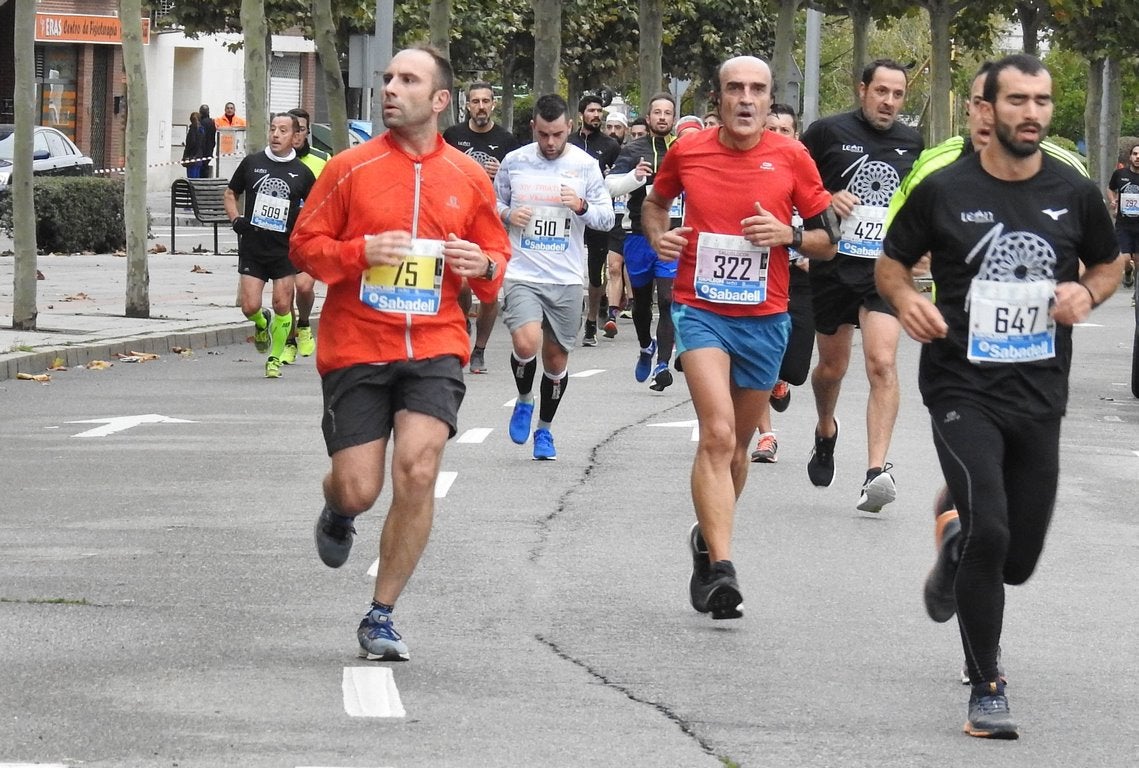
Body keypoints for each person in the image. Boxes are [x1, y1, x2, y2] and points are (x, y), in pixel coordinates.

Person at [879, 53, 1121, 739]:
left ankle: (953, 539)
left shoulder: (1071, 191)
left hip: (1039, 392)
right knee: (993, 528)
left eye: (1041, 101)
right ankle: (985, 686)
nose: (1031, 113)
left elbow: (1109, 261)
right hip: (960, 386)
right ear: (985, 108)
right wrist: (904, 300)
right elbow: (891, 263)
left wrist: (1087, 291)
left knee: (1015, 559)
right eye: (1016, 100)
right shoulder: (944, 188)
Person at [289, 46, 510, 662]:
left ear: (439, 100)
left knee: (417, 469)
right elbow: (306, 246)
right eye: (387, 78)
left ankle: (381, 614)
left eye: (406, 80)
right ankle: (337, 511)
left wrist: (484, 265)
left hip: (436, 343)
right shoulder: (348, 169)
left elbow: (495, 259)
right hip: (357, 345)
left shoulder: (468, 175)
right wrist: (361, 253)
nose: (390, 88)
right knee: (360, 489)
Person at [642, 56, 837, 620]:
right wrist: (660, 237)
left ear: (770, 100)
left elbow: (829, 238)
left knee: (739, 450)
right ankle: (724, 571)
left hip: (766, 317)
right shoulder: (689, 150)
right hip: (700, 310)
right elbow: (655, 203)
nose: (746, 99)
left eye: (757, 90)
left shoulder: (792, 156)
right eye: (735, 89)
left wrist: (790, 235)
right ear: (718, 98)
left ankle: (706, 541)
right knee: (718, 434)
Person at [799, 59, 924, 512]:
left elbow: (918, 200)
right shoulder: (827, 133)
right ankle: (826, 429)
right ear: (863, 89)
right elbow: (796, 182)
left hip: (885, 271)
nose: (889, 101)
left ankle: (876, 472)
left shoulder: (912, 142)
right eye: (881, 92)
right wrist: (825, 199)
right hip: (834, 265)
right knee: (831, 369)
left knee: (882, 362)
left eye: (898, 94)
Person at [495, 94, 615, 459]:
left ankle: (544, 431)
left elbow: (606, 218)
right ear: (534, 127)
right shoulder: (515, 162)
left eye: (557, 134)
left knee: (556, 361)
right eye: (544, 134)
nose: (550, 142)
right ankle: (524, 400)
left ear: (569, 129)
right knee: (526, 343)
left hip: (565, 277)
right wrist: (506, 215)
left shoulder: (584, 166)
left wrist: (580, 206)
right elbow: (491, 200)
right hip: (522, 271)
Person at [223, 113, 316, 378]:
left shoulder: (303, 173)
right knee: (249, 307)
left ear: (295, 136)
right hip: (254, 244)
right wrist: (236, 219)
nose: (276, 134)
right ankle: (261, 323)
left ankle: (274, 358)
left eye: (283, 130)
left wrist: (303, 225)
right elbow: (231, 194)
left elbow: (316, 208)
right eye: (273, 128)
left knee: (282, 304)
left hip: (284, 249)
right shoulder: (252, 163)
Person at [750, 103, 815, 464]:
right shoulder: (748, 169)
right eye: (769, 129)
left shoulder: (805, 169)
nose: (775, 137)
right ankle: (766, 436)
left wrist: (810, 246)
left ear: (795, 135)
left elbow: (825, 220)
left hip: (797, 276)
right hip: (758, 276)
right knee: (760, 357)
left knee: (794, 368)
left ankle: (780, 379)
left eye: (783, 131)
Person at [443, 81, 521, 373]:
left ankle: (480, 349)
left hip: (491, 219)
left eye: (486, 101)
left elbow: (515, 182)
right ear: (466, 105)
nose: (481, 107)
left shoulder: (506, 140)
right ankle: (461, 325)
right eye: (475, 102)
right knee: (460, 279)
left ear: (493, 104)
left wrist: (500, 171)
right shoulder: (453, 136)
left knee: (490, 290)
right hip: (457, 214)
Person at [607, 92, 682, 390]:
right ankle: (645, 346)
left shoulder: (685, 149)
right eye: (657, 113)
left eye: (667, 113)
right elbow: (610, 186)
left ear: (673, 118)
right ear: (649, 118)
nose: (662, 117)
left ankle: (662, 366)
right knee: (640, 304)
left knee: (667, 300)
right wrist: (636, 178)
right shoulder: (633, 149)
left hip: (673, 235)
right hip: (638, 235)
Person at [568, 94, 621, 347]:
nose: (596, 115)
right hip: (570, 212)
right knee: (571, 266)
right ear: (581, 114)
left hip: (597, 211)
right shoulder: (569, 142)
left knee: (595, 271)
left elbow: (618, 179)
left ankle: (591, 321)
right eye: (591, 111)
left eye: (600, 111)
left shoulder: (610, 146)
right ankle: (571, 311)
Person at [277, 107, 326, 365]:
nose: (295, 136)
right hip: (280, 236)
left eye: (300, 130)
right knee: (285, 293)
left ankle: (305, 321)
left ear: (306, 132)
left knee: (304, 286)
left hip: (310, 235)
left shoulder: (321, 159)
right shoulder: (274, 161)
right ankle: (290, 340)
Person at [603, 111, 632, 337]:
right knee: (613, 267)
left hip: (632, 221)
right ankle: (612, 314)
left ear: (626, 130)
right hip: (613, 219)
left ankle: (634, 304)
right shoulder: (603, 154)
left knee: (630, 268)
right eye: (609, 127)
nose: (613, 131)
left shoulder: (632, 154)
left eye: (618, 127)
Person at [1107, 143, 1139, 298]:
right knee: (1126, 258)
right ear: (1130, 156)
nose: (1138, 157)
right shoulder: (1120, 174)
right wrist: (1113, 201)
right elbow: (1110, 188)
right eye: (1135, 154)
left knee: (1138, 261)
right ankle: (1128, 272)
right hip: (1124, 223)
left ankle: (1136, 294)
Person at [182, 111, 204, 178]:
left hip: (191, 157)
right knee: (197, 178)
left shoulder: (192, 130)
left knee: (191, 179)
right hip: (199, 157)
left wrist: (185, 155)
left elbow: (191, 143)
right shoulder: (202, 130)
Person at [198, 104, 217, 178]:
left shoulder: (201, 123)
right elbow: (213, 137)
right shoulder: (212, 122)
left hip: (202, 150)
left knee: (201, 169)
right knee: (205, 167)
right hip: (209, 149)